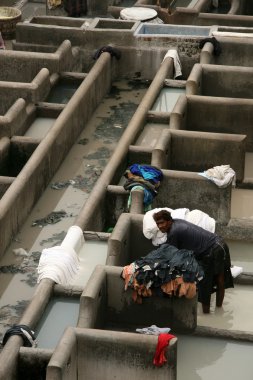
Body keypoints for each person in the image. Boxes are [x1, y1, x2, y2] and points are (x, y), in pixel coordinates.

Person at [153, 209, 234, 313]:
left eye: (162, 223)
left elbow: (172, 255)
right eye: (157, 224)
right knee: (220, 280)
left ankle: (206, 315)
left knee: (205, 284)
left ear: (169, 221)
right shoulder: (176, 222)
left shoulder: (174, 232)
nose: (160, 226)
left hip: (211, 252)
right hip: (221, 244)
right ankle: (219, 310)